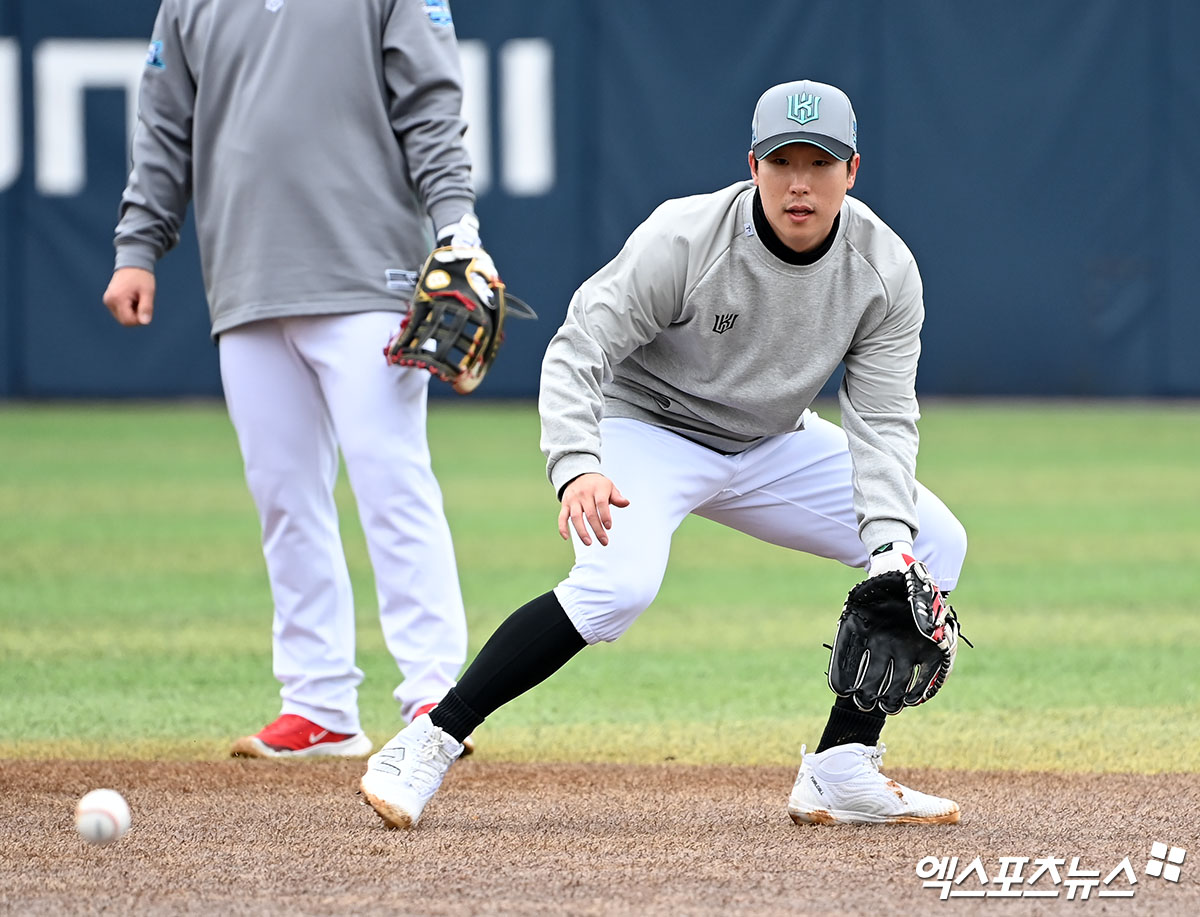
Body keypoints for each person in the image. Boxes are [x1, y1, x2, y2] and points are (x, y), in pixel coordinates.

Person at [358, 78, 968, 828]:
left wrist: (887, 550)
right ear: (753, 166)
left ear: (853, 170)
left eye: (820, 162)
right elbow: (580, 348)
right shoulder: (685, 239)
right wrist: (578, 462)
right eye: (783, 161)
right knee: (617, 587)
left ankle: (840, 767)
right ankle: (429, 738)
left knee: (931, 543)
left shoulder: (884, 270)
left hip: (772, 438)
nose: (800, 182)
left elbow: (881, 419)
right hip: (649, 424)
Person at [102, 0, 488, 758]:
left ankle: (436, 696)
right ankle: (319, 704)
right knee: (283, 496)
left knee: (390, 482)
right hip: (247, 284)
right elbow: (163, 123)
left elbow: (432, 104)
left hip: (368, 276)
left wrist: (456, 225)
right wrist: (137, 245)